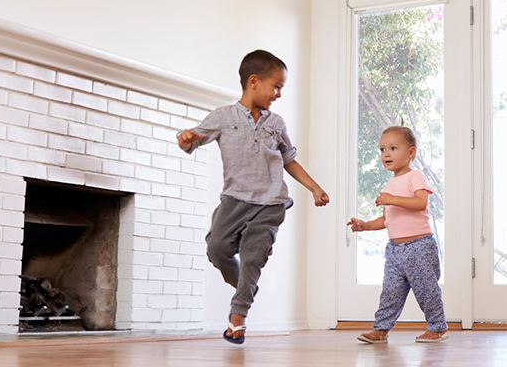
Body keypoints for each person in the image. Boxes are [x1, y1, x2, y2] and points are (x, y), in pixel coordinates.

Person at [177, 49, 330, 344]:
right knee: (217, 248)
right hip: (234, 199)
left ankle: (238, 318)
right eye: (276, 87)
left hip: (271, 202)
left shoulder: (277, 124)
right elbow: (192, 140)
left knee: (252, 258)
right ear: (253, 81)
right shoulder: (223, 117)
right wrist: (184, 140)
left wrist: (314, 187)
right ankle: (246, 287)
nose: (279, 94)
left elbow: (289, 159)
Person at [347, 126, 449, 344]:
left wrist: (392, 199)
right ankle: (381, 329)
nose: (386, 154)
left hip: (419, 246)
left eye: (393, 148)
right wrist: (365, 225)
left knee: (426, 289)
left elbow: (420, 203)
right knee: (390, 291)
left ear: (410, 152)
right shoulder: (390, 184)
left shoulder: (415, 177)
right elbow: (387, 220)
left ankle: (437, 326)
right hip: (394, 250)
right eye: (383, 149)